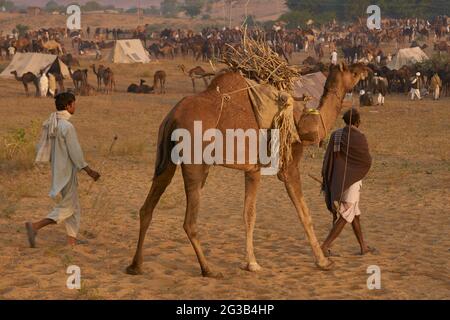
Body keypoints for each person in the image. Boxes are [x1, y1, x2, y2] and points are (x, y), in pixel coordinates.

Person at [25, 93, 100, 247]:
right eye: (73, 104)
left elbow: (42, 147)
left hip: (58, 171)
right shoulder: (67, 126)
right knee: (68, 207)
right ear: (68, 106)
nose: (75, 106)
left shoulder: (52, 123)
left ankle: (71, 241)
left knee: (74, 207)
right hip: (66, 173)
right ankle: (35, 226)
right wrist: (89, 170)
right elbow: (75, 152)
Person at [321, 109, 375, 256]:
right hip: (353, 182)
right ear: (358, 122)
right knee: (346, 214)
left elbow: (328, 159)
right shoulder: (360, 137)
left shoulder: (336, 135)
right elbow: (366, 160)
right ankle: (324, 246)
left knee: (355, 214)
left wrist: (328, 178)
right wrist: (355, 171)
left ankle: (363, 246)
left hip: (339, 180)